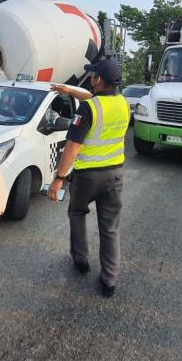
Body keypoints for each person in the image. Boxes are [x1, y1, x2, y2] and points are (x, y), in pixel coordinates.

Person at [48, 60, 130, 298]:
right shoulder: (123, 103)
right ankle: (109, 281)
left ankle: (81, 260)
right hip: (115, 175)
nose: (91, 78)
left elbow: (73, 146)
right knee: (110, 228)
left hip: (87, 177)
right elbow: (93, 98)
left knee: (77, 214)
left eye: (93, 75)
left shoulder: (87, 109)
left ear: (98, 80)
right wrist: (69, 91)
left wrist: (58, 179)